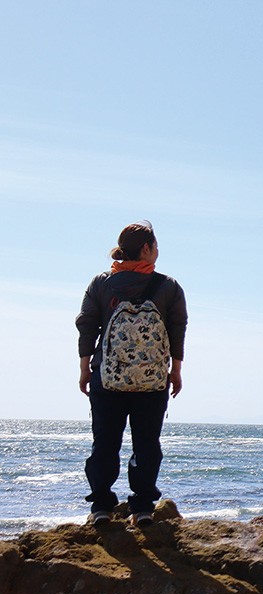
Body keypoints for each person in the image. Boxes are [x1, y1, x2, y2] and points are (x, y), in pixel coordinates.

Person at [75, 221, 188, 526]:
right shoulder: (169, 287)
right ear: (147, 249)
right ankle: (142, 508)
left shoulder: (101, 283)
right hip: (151, 382)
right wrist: (175, 370)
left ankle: (100, 506)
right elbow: (177, 330)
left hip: (107, 378)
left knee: (105, 442)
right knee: (147, 444)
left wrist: (85, 368)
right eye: (155, 245)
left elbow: (87, 324)